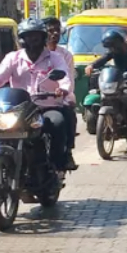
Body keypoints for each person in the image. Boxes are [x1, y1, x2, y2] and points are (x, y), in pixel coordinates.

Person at [0, 18, 74, 171]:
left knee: (58, 122)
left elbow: (65, 77)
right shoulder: (13, 58)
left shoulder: (55, 58)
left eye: (36, 37)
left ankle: (56, 166)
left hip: (46, 107)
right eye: (28, 37)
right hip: (18, 108)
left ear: (42, 38)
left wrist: (63, 88)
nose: (32, 41)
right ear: (21, 39)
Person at [84, 30, 127, 133]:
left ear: (121, 43)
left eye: (114, 47)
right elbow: (103, 59)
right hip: (118, 80)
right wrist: (92, 66)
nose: (112, 50)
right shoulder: (113, 52)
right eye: (110, 48)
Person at [42, 17, 78, 170]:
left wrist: (63, 92)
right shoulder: (20, 55)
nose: (55, 34)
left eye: (57, 30)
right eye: (51, 30)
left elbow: (68, 79)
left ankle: (66, 152)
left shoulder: (65, 55)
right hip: (32, 100)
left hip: (58, 99)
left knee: (67, 114)